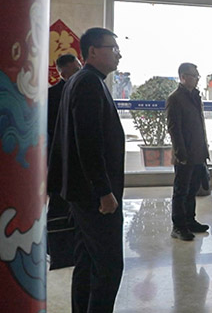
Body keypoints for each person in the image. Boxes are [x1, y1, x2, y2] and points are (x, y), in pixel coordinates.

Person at [48, 27, 125, 313]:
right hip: (94, 197)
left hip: (82, 193)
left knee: (86, 260)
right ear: (93, 51)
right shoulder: (89, 83)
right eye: (113, 49)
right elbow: (88, 142)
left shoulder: (81, 81)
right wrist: (103, 191)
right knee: (109, 266)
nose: (119, 55)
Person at [166, 62, 210, 241]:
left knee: (192, 190)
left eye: (198, 75)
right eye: (194, 75)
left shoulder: (195, 96)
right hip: (184, 155)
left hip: (198, 152)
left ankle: (190, 221)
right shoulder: (175, 98)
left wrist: (205, 150)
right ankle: (178, 226)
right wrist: (181, 153)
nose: (197, 79)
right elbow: (174, 128)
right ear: (183, 77)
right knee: (181, 191)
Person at [46, 53, 81, 270]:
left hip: (78, 160)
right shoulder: (52, 95)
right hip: (58, 159)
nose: (79, 71)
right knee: (59, 205)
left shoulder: (82, 91)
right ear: (63, 71)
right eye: (76, 68)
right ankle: (59, 251)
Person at [47, 54, 82, 148]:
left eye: (81, 68)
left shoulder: (84, 90)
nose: (80, 73)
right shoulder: (51, 94)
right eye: (76, 70)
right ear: (63, 74)